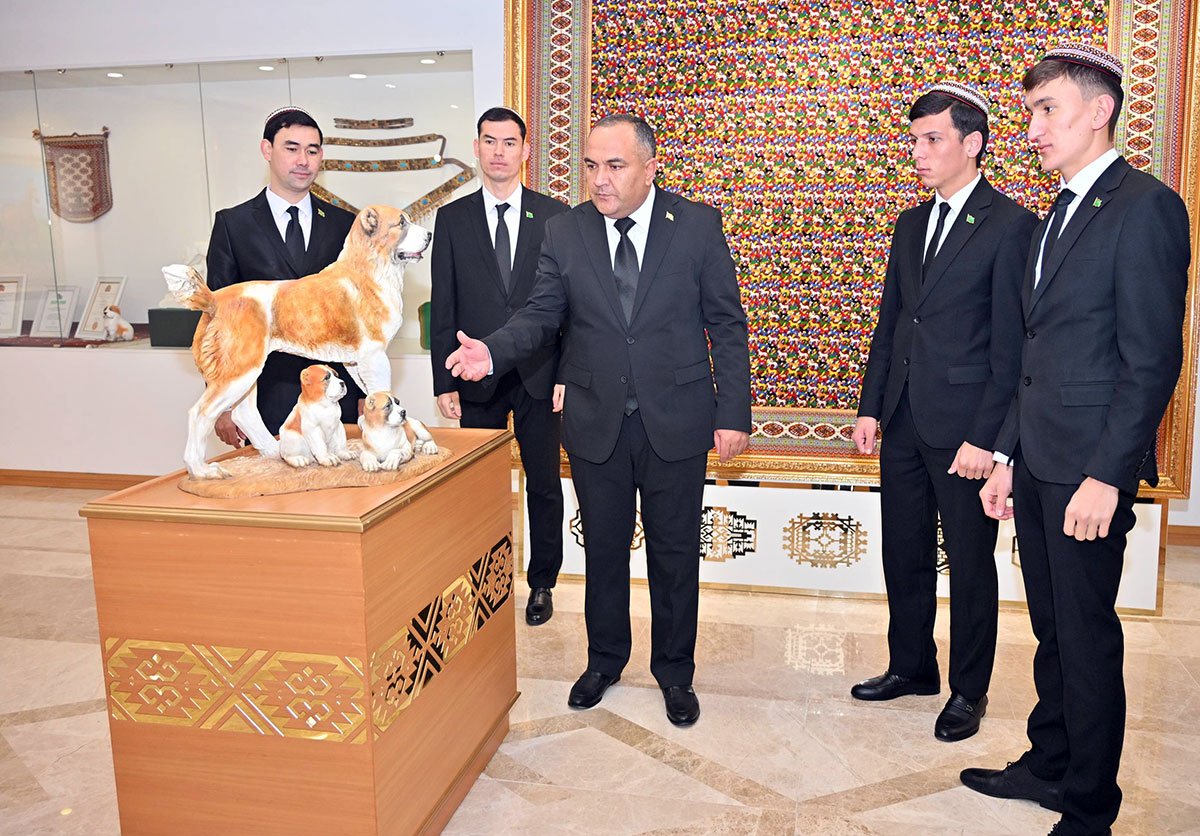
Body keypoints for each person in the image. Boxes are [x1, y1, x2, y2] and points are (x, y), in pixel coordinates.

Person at [445, 114, 751, 726]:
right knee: (605, 552)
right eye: (591, 166)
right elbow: (541, 315)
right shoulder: (565, 231)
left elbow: (726, 323)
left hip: (676, 418)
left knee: (674, 555)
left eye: (615, 166)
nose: (600, 179)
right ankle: (604, 661)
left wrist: (734, 411)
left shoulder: (696, 225)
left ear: (650, 167)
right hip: (595, 421)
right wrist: (493, 351)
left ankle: (675, 672)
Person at [963, 44, 1190, 836]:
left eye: (1046, 110)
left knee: (1087, 638)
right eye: (1030, 112)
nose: (1032, 128)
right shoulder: (1055, 214)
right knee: (1052, 629)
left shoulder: (1145, 207)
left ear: (1099, 111)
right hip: (1038, 461)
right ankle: (1049, 763)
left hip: (1089, 469)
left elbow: (1151, 359)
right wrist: (1006, 456)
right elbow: (1034, 356)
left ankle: (1090, 805)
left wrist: (1106, 475)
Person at [851, 82, 1037, 742]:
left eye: (932, 140)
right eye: (915, 141)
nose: (919, 153)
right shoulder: (909, 224)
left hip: (966, 431)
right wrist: (871, 407)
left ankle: (968, 689)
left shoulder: (1013, 226)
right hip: (902, 421)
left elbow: (1013, 348)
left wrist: (988, 439)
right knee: (903, 553)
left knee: (969, 563)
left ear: (973, 143)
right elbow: (892, 324)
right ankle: (911, 666)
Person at [430, 107, 569, 626]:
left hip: (540, 375)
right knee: (479, 487)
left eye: (510, 142)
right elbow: (444, 304)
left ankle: (542, 583)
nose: (499, 152)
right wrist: (444, 380)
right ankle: (482, 579)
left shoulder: (556, 217)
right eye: (490, 141)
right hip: (475, 377)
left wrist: (566, 373)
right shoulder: (452, 218)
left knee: (544, 485)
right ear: (477, 147)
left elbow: (571, 309)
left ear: (526, 151)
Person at [206, 106, 364, 443]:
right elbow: (217, 320)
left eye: (312, 151)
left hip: (336, 394)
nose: (303, 160)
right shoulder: (234, 225)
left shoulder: (343, 224)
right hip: (261, 395)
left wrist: (367, 391)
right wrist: (223, 404)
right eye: (291, 149)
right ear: (267, 150)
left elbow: (359, 316)